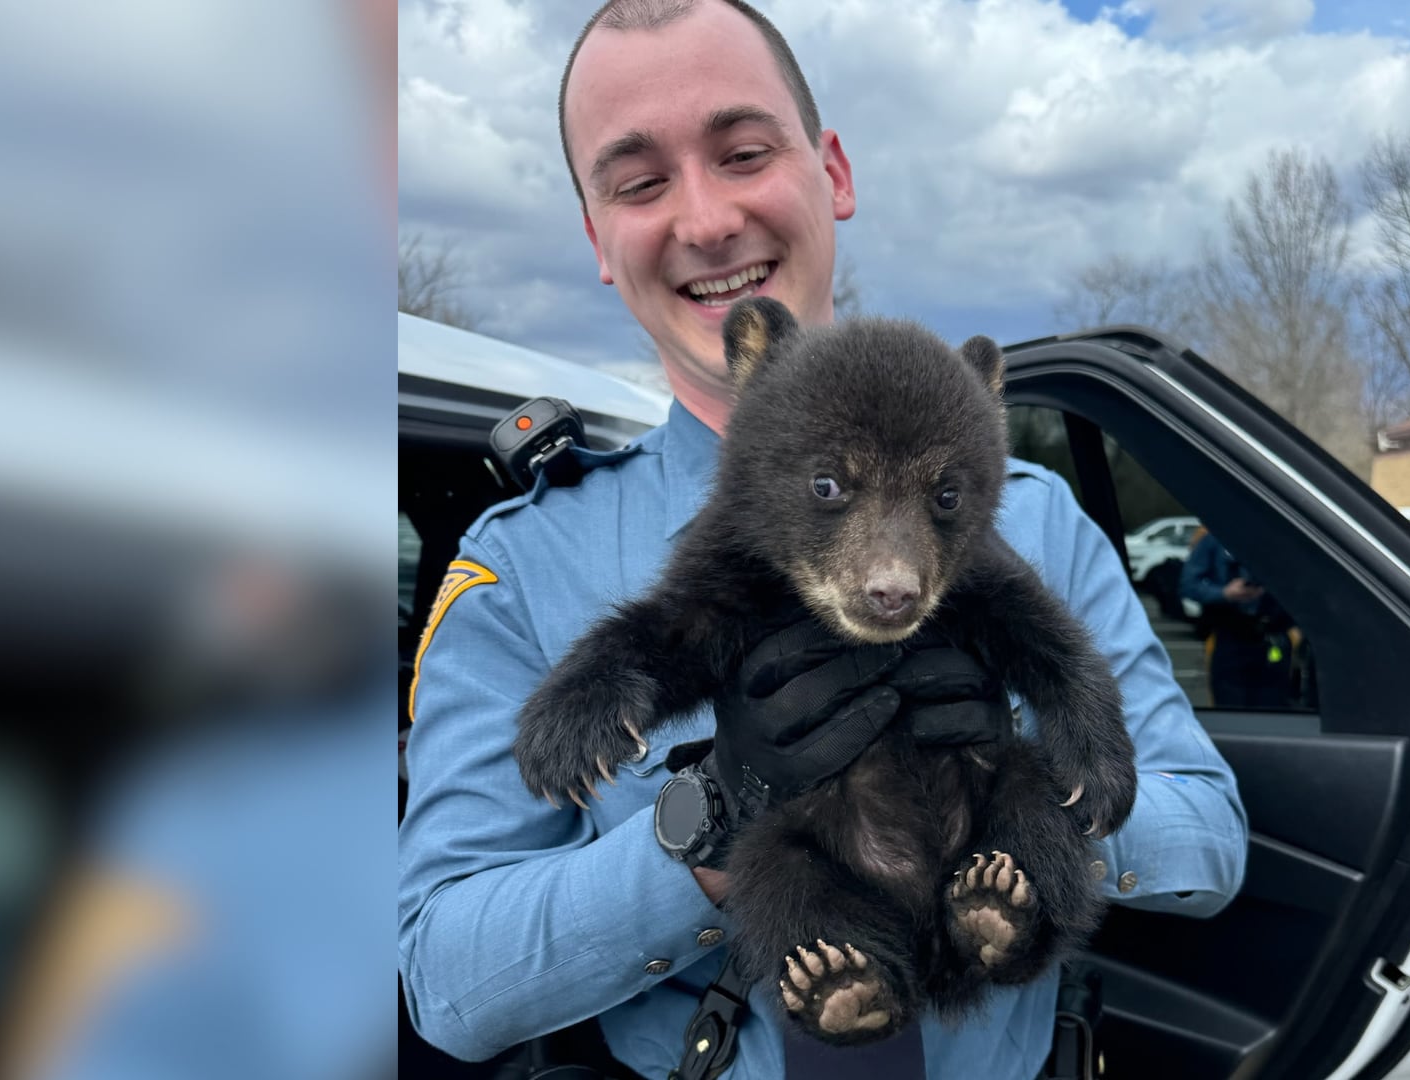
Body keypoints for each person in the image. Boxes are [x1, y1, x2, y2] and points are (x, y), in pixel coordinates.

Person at [397, 2, 1249, 1077]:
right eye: (641, 182)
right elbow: (445, 983)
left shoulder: (1030, 520)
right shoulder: (525, 564)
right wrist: (708, 827)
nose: (707, 220)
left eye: (744, 153)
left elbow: (1208, 836)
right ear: (597, 238)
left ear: (833, 172)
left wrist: (1033, 786)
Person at [1179, 531, 1298, 710]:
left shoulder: (1285, 538)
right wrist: (1224, 593)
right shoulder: (1215, 540)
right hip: (1231, 638)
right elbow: (1188, 584)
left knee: (1274, 711)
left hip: (1273, 637)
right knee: (1230, 710)